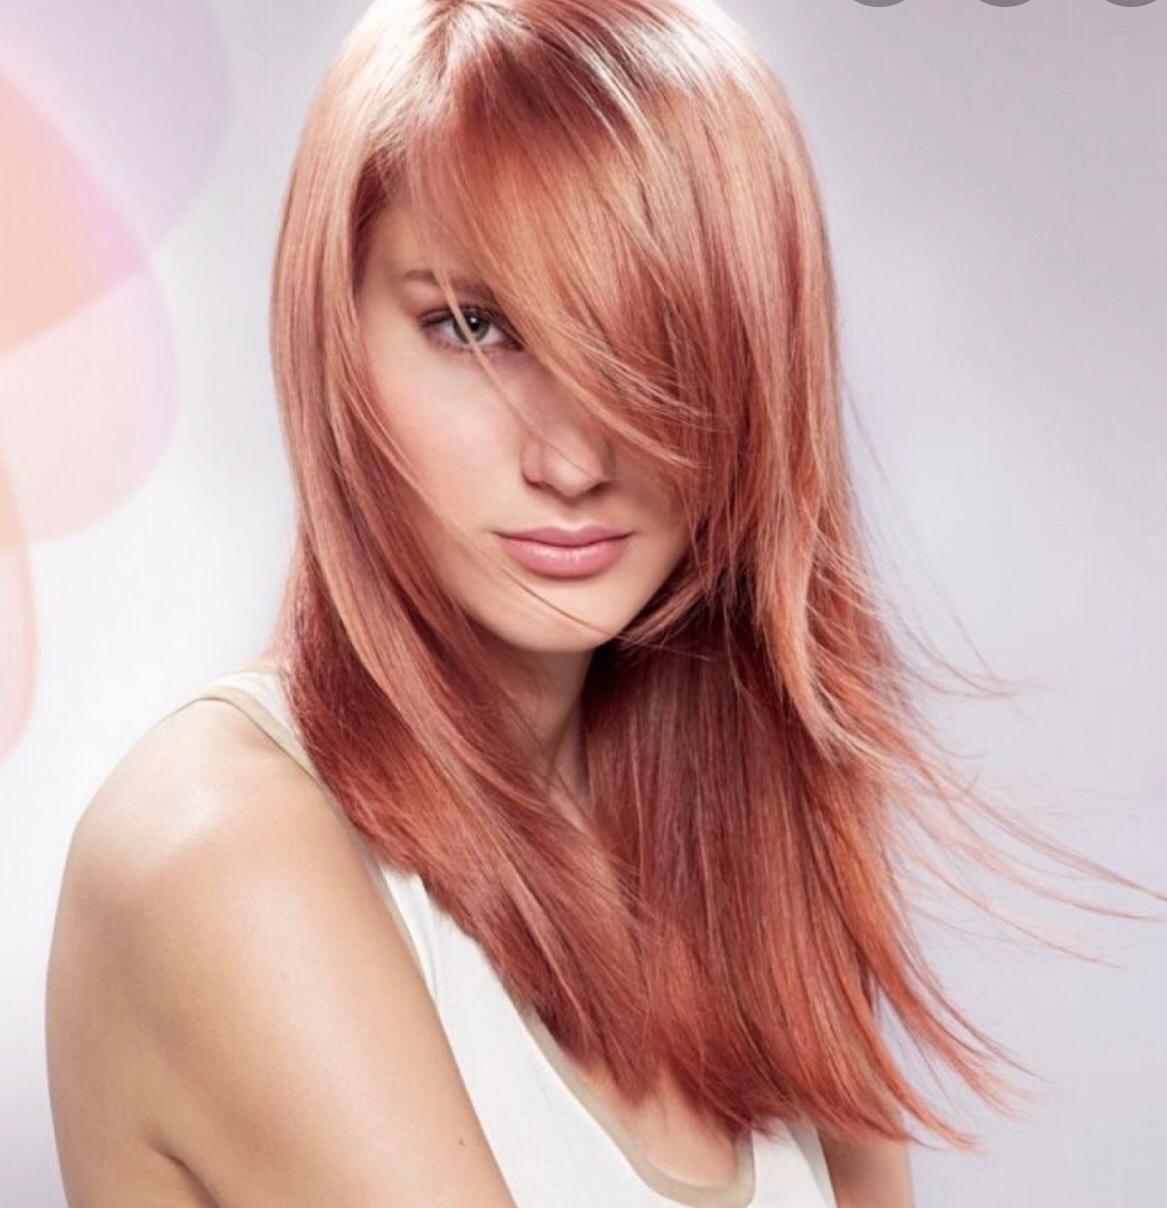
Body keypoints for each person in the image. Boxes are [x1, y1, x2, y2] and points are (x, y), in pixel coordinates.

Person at [45, 1, 1162, 1205]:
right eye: (471, 326)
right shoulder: (221, 850)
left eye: (649, 335)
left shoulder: (745, 845)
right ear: (335, 335)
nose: (572, 458)